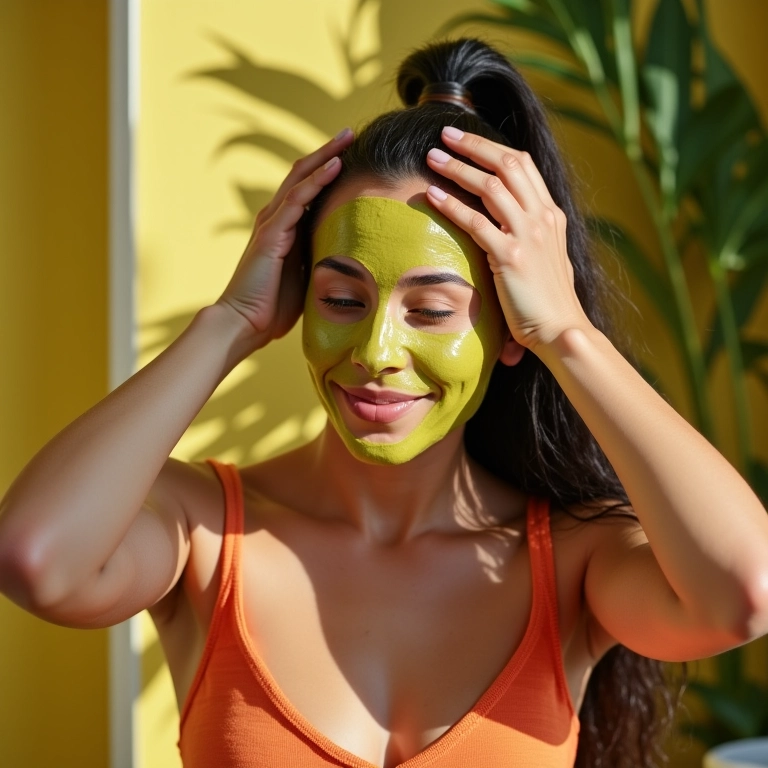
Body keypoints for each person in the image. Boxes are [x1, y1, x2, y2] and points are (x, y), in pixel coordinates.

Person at [1, 37, 767, 768]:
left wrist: (567, 331)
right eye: (341, 297)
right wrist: (231, 323)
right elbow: (37, 559)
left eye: (431, 311)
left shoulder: (569, 559)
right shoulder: (207, 531)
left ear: (511, 332)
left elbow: (744, 593)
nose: (374, 352)